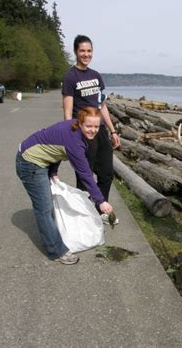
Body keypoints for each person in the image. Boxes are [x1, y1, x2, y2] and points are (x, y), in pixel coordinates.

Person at [16, 107, 114, 265]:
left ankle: (55, 236)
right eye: (89, 126)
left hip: (40, 161)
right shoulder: (75, 142)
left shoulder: (75, 130)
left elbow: (57, 148)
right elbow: (86, 175)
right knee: (44, 209)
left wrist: (53, 170)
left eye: (96, 127)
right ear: (80, 123)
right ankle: (57, 251)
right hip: (30, 163)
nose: (93, 130)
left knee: (47, 206)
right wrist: (100, 201)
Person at [62, 35, 120, 226]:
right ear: (76, 52)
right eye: (82, 51)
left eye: (89, 51)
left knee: (106, 173)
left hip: (100, 130)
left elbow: (102, 106)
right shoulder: (71, 77)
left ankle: (100, 209)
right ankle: (84, 214)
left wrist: (112, 131)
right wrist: (70, 135)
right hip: (83, 132)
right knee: (84, 176)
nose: (86, 54)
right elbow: (68, 111)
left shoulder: (96, 76)